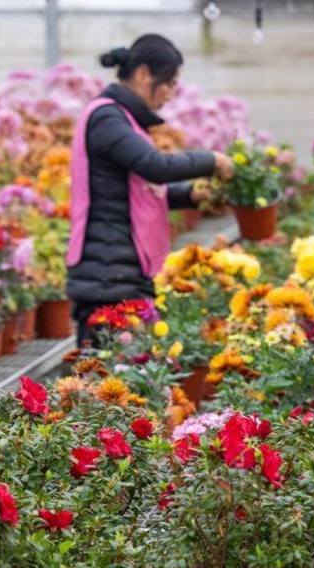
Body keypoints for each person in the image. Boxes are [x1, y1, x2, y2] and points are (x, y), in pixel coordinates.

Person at [68, 34, 233, 347]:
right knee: (110, 376)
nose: (171, 94)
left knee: (130, 378)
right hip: (107, 275)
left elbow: (139, 194)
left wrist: (191, 196)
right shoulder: (107, 117)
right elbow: (154, 166)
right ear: (143, 75)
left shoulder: (123, 119)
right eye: (169, 83)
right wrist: (212, 160)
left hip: (119, 271)